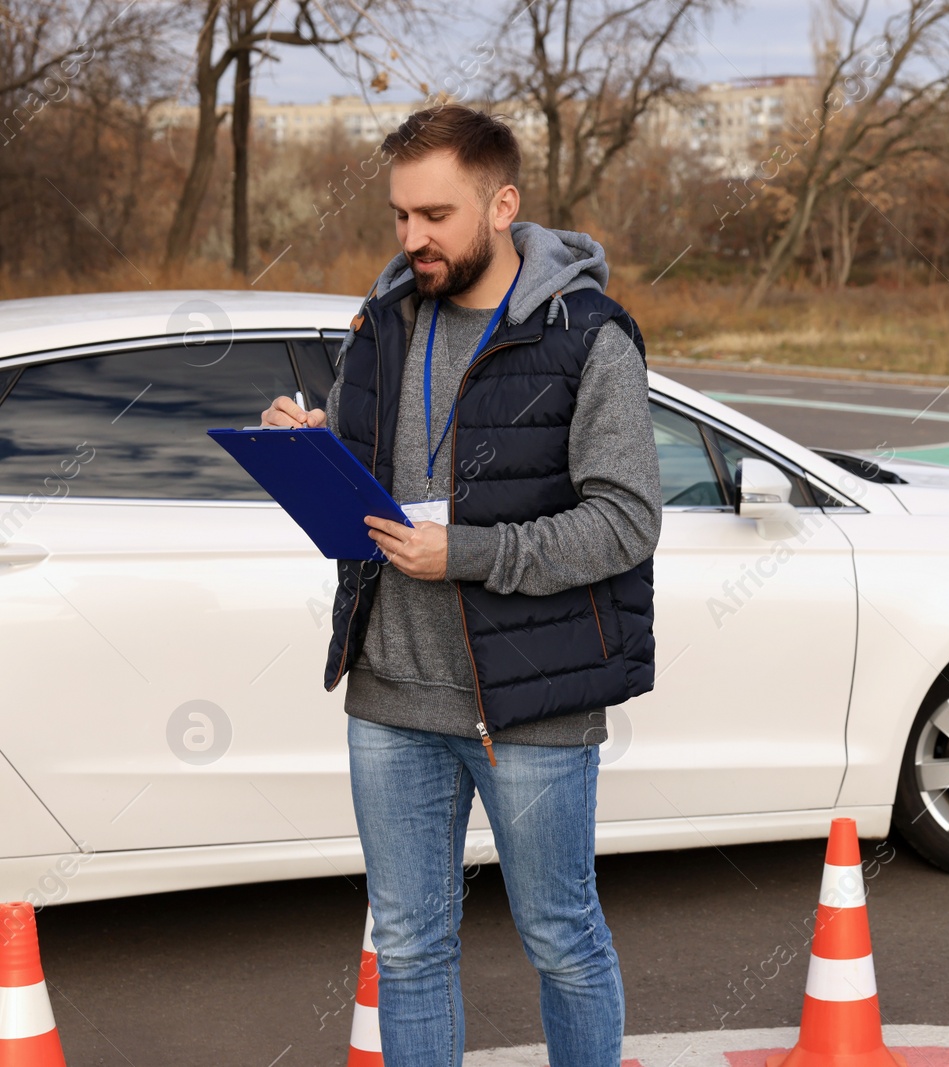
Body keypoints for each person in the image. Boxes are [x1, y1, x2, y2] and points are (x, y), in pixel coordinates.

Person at [260, 103, 660, 1067]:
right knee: (407, 950)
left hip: (530, 705)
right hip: (391, 698)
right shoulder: (382, 323)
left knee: (561, 942)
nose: (413, 239)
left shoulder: (587, 336)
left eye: (435, 215)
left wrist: (468, 551)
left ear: (502, 203)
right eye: (400, 216)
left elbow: (625, 522)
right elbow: (364, 504)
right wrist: (309, 454)